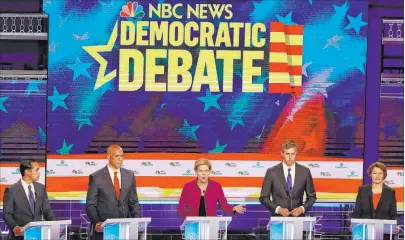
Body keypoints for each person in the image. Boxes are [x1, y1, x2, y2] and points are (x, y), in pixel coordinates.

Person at [86, 144, 140, 240]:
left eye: (122, 156)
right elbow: (90, 205)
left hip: (125, 229)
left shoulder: (129, 175)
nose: (120, 159)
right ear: (108, 157)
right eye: (117, 156)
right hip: (104, 230)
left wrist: (137, 221)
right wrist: (97, 223)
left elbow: (133, 202)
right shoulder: (96, 177)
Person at [259, 140, 317, 217]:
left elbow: (312, 197)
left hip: (298, 219)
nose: (290, 157)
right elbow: (263, 197)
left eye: (292, 154)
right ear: (282, 153)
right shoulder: (271, 172)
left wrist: (301, 209)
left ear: (296, 153)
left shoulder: (305, 171)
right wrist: (278, 209)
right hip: (278, 219)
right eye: (287, 154)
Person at [2, 159, 56, 239]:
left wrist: (55, 226)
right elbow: (7, 214)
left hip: (37, 235)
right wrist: (15, 228)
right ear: (27, 172)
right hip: (19, 237)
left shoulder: (41, 188)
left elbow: (47, 211)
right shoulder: (12, 190)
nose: (39, 173)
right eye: (36, 170)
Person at [178, 158, 246, 219]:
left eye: (206, 170)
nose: (203, 173)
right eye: (200, 171)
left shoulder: (216, 186)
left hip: (211, 224)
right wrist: (187, 221)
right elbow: (181, 208)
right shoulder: (188, 187)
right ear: (196, 172)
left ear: (210, 172)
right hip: (192, 226)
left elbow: (224, 205)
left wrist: (234, 208)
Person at [351, 161, 399, 236]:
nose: (377, 176)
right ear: (370, 175)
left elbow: (393, 214)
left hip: (384, 232)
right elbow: (357, 211)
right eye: (374, 173)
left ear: (384, 175)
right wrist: (352, 224)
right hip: (364, 231)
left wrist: (396, 225)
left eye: (380, 173)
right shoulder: (363, 190)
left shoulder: (390, 192)